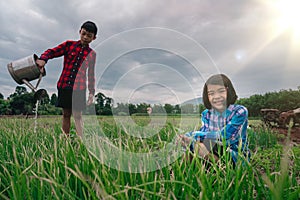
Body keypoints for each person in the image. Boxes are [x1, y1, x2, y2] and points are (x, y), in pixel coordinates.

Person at [36, 21, 97, 137]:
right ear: (80, 32)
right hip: (64, 85)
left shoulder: (92, 54)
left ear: (94, 38)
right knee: (66, 114)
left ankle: (81, 140)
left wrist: (91, 93)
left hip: (79, 88)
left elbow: (91, 75)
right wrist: (43, 59)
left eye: (89, 36)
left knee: (78, 115)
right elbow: (52, 52)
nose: (85, 37)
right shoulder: (69, 45)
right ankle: (65, 139)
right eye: (83, 33)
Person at [179, 74, 250, 166]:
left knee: (199, 146)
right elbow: (205, 135)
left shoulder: (239, 111)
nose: (216, 96)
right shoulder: (206, 114)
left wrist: (192, 135)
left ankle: (220, 170)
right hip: (212, 150)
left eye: (221, 91)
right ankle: (183, 172)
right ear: (207, 96)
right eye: (211, 93)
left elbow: (225, 137)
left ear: (229, 91)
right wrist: (187, 139)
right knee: (189, 150)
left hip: (233, 155)